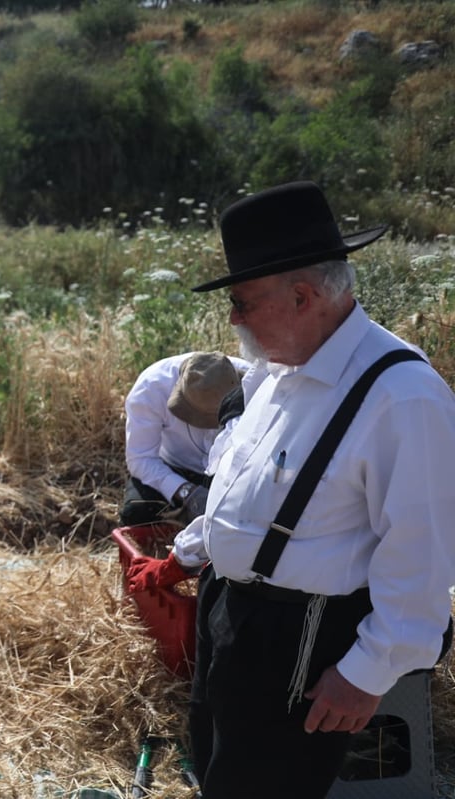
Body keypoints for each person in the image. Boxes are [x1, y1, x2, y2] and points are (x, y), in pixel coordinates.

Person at [125, 181, 455, 798]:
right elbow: (242, 489)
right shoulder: (277, 370)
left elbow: (423, 556)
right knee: (219, 765)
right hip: (231, 613)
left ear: (303, 296)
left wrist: (365, 672)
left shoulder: (402, 397)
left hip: (303, 640)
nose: (233, 318)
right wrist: (190, 555)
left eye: (244, 302)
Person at [120, 351, 246, 527]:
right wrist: (187, 492)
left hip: (228, 473)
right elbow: (141, 459)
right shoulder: (152, 388)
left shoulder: (257, 382)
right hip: (172, 467)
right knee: (137, 513)